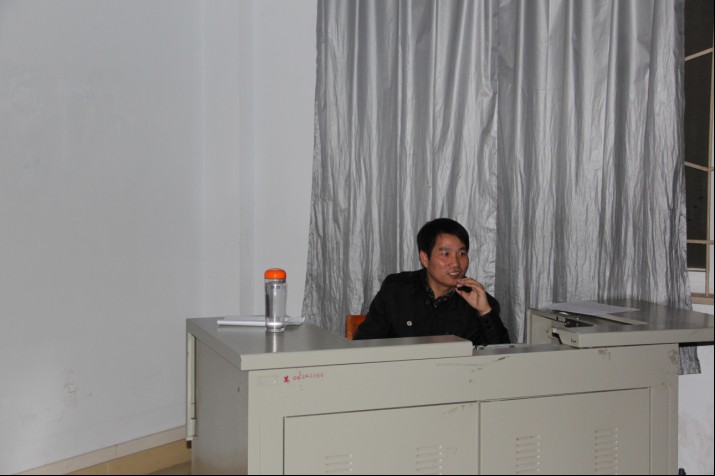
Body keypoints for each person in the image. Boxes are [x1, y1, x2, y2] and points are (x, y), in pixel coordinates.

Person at [353, 218, 510, 346]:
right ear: (425, 258)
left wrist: (485, 312)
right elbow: (364, 343)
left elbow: (503, 359)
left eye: (461, 253)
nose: (456, 263)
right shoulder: (396, 289)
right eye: (446, 254)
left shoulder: (479, 301)